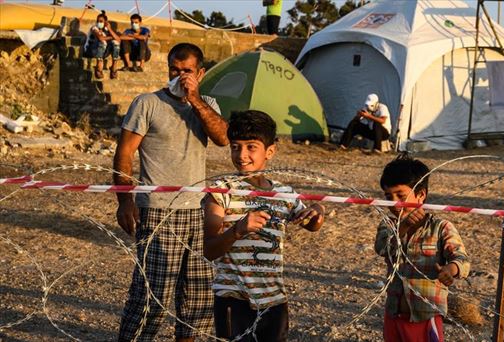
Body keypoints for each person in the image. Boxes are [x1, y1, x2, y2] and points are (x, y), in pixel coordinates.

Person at [113, 43, 229, 342]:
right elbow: (124, 153)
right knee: (152, 297)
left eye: (187, 71)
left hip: (198, 213)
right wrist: (125, 200)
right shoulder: (147, 103)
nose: (179, 77)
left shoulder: (208, 105)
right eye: (174, 71)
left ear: (200, 73)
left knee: (198, 300)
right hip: (158, 210)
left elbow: (222, 138)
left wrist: (195, 99)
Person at [203, 110, 325, 342]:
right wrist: (238, 230)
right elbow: (209, 250)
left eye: (251, 147)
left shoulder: (284, 194)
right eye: (235, 146)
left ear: (270, 151)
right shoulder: (221, 191)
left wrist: (318, 211)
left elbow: (312, 224)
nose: (241, 155)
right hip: (233, 299)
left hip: (274, 301)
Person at [374, 156, 470, 342]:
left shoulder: (441, 228)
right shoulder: (388, 226)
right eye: (388, 197)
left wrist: (450, 270)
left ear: (421, 195)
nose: (395, 204)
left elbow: (462, 259)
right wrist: (401, 229)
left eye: (401, 196)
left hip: (425, 316)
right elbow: (381, 248)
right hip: (393, 315)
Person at [83, 11, 121, 79]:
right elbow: (100, 38)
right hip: (91, 51)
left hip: (103, 52)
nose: (99, 23)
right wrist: (111, 37)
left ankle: (114, 68)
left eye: (101, 21)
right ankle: (99, 67)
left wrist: (109, 29)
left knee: (116, 43)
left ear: (106, 22)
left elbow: (118, 40)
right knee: (102, 42)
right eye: (97, 21)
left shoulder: (107, 30)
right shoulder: (94, 28)